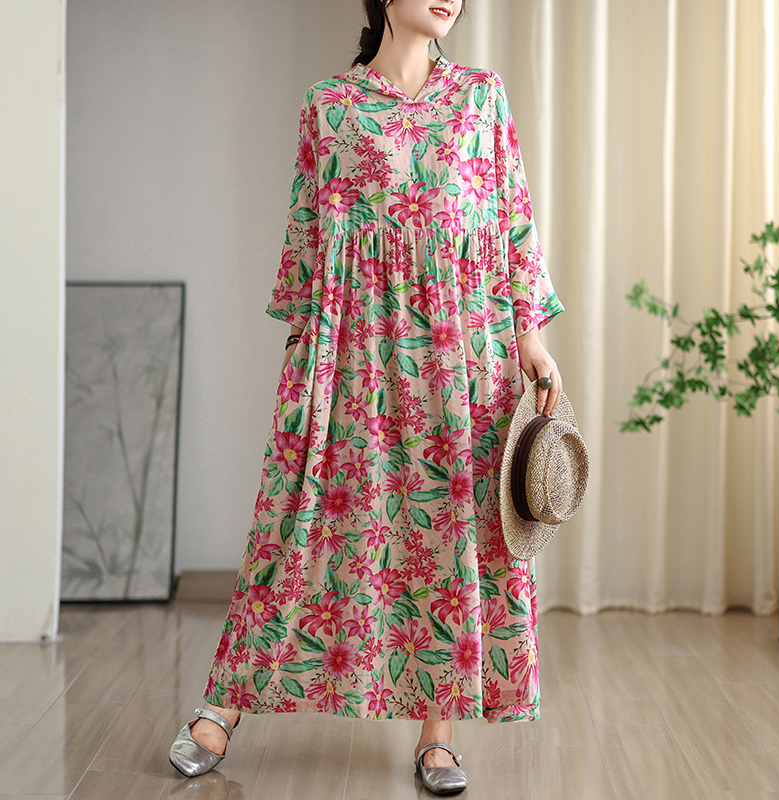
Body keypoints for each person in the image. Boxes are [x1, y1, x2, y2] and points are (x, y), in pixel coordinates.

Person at [169, 0, 564, 794]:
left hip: (462, 349)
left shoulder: (481, 96)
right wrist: (304, 352)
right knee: (297, 519)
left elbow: (512, 220)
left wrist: (531, 339)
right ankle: (222, 705)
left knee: (450, 529)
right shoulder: (330, 106)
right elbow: (306, 234)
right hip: (354, 345)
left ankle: (438, 737)